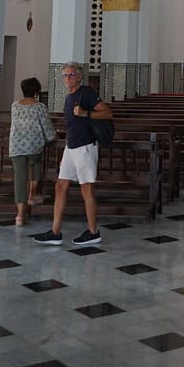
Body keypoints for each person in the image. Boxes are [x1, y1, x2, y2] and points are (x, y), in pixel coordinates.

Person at [33, 62, 113, 246]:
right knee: (60, 186)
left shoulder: (87, 93)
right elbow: (71, 126)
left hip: (85, 147)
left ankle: (93, 232)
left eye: (71, 75)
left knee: (86, 189)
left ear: (79, 77)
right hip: (72, 147)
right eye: (65, 75)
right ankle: (55, 232)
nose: (67, 78)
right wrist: (66, 153)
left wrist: (86, 113)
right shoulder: (69, 97)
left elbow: (108, 113)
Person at [8, 77, 56, 227]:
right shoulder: (40, 107)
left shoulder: (15, 106)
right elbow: (47, 127)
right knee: (36, 164)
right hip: (33, 145)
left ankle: (20, 215)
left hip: (16, 146)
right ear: (37, 91)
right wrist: (52, 136)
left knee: (20, 178)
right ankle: (33, 194)